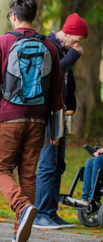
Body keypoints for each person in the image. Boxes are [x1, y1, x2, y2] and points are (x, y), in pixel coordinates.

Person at [0, 0, 64, 242]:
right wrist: (56, 127)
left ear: (13, 16)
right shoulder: (50, 47)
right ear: (34, 17)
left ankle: (23, 206)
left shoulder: (4, 41)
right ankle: (21, 229)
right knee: (28, 173)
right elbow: (57, 91)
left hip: (9, 116)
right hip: (39, 119)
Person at [34, 13, 88, 230]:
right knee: (47, 164)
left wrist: (71, 104)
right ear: (66, 33)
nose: (78, 46)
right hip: (47, 115)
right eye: (76, 40)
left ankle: (51, 212)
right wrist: (74, 55)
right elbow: (53, 75)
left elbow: (67, 81)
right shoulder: (49, 46)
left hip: (61, 114)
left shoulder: (65, 49)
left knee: (58, 165)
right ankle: (41, 215)